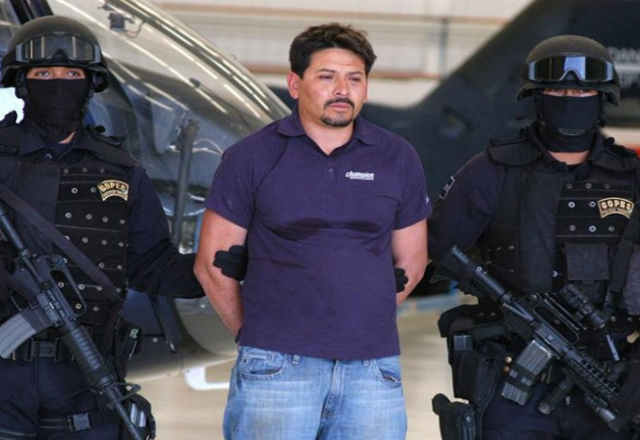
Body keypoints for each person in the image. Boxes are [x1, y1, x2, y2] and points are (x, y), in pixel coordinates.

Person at [195, 22, 430, 440]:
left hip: (372, 370)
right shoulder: (251, 157)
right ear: (294, 84)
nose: (342, 89)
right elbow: (213, 263)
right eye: (326, 76)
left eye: (354, 78)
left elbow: (412, 259)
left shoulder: (398, 157)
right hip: (277, 366)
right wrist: (253, 337)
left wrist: (360, 317)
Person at [0, 16, 204, 439]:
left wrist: (227, 268)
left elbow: (152, 265)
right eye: (44, 74)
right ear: (21, 82)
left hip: (88, 374)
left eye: (72, 74)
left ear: (91, 83)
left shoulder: (121, 169)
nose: (59, 84)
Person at [429, 35, 640, 439]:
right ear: (536, 97)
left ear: (602, 98)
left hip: (611, 382)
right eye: (557, 91)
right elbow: (433, 245)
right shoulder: (490, 171)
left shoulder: (631, 177)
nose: (570, 99)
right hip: (512, 384)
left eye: (581, 91)